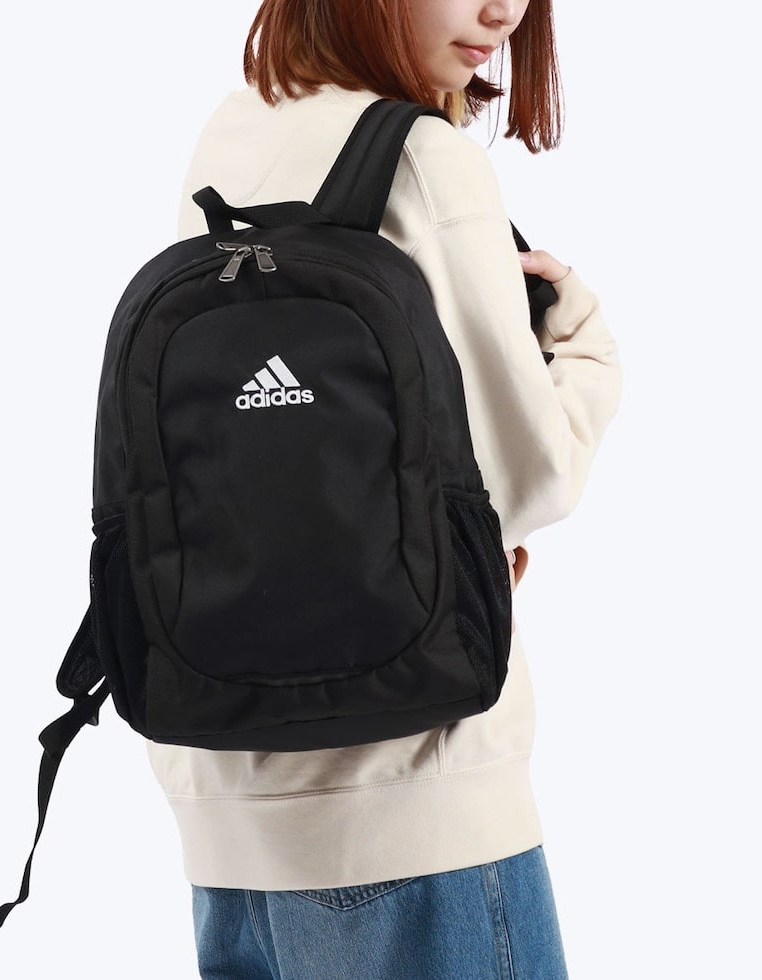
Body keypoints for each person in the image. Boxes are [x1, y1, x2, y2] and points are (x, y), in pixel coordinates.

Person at [147, 1, 623, 976]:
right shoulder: (425, 159)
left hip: (226, 805)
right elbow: (522, 478)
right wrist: (580, 344)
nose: (501, 10)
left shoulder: (234, 127)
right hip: (413, 800)